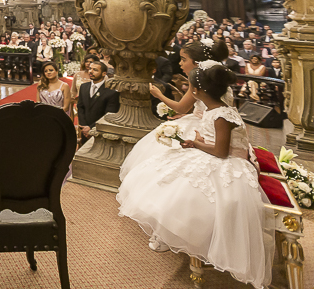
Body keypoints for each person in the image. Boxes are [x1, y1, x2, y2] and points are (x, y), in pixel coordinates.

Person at [117, 66, 272, 288]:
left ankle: (194, 238)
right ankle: (169, 235)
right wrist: (199, 139)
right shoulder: (213, 109)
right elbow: (215, 140)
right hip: (214, 153)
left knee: (184, 192)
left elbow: (221, 151)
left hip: (228, 163)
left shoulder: (221, 114)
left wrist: (196, 143)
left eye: (190, 87)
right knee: (161, 175)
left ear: (197, 91)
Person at [123, 41, 232, 175]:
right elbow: (209, 109)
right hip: (214, 123)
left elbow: (181, 107)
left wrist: (159, 95)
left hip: (205, 127)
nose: (180, 63)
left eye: (184, 59)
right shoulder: (217, 79)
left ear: (197, 62)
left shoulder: (198, 81)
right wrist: (188, 115)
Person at [76, 59, 120, 145]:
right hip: (85, 131)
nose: (91, 71)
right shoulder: (84, 87)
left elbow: (108, 114)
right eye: (90, 69)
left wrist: (91, 128)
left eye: (95, 70)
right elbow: (80, 107)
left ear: (104, 73)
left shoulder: (111, 92)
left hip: (100, 131)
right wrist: (84, 127)